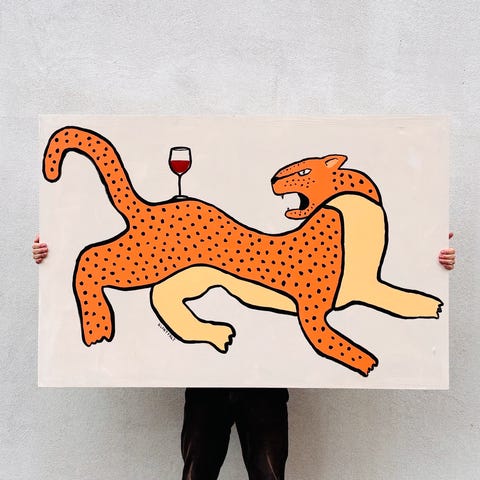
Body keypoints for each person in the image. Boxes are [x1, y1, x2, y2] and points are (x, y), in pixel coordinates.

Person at [32, 234, 456, 479]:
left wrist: (429, 259)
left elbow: (371, 271)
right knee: (197, 473)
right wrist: (57, 249)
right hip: (207, 381)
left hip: (266, 382)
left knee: (268, 475)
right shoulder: (202, 240)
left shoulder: (304, 243)